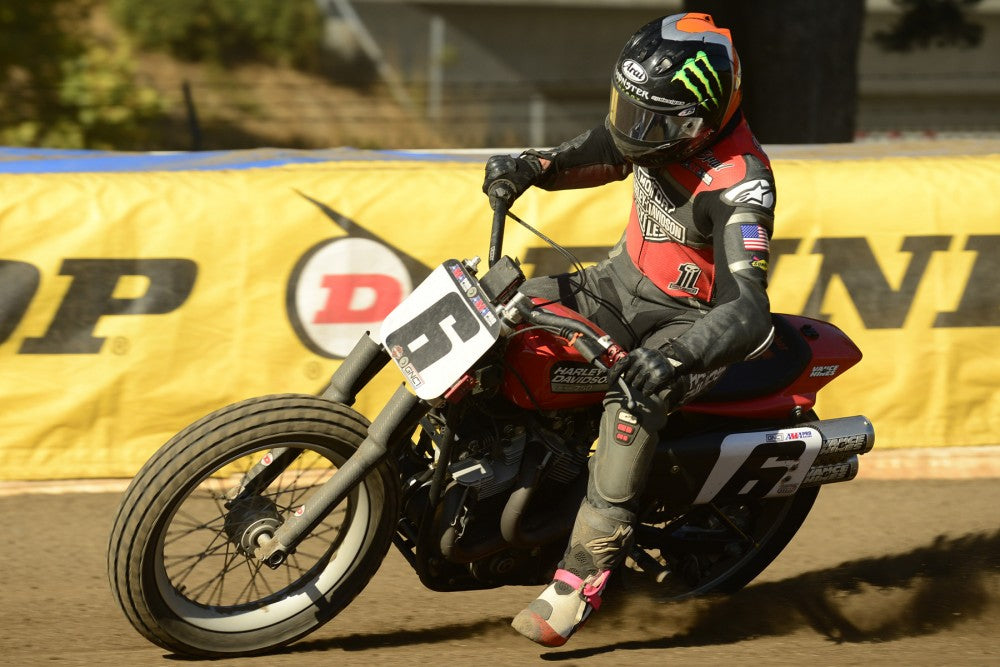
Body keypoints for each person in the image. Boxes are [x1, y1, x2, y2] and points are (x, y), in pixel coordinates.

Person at [482, 12, 777, 647]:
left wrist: (677, 359)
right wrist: (531, 166)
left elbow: (749, 312)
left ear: (701, 119)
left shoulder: (739, 181)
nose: (633, 129)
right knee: (504, 310)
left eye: (652, 119)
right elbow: (605, 150)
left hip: (692, 329)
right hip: (617, 286)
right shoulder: (656, 129)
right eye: (628, 108)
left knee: (631, 399)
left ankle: (582, 577)